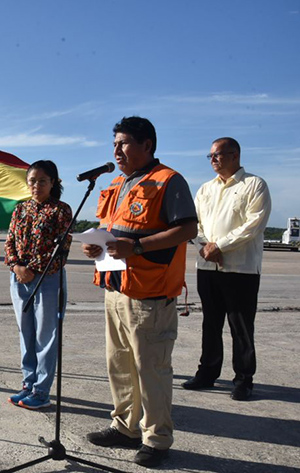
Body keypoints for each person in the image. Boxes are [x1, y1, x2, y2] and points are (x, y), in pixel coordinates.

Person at [81, 117, 197, 468]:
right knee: (119, 365)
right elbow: (113, 229)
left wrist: (138, 247)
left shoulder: (168, 181)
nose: (116, 150)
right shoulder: (118, 183)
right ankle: (125, 427)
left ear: (147, 145)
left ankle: (157, 439)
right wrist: (95, 246)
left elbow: (187, 229)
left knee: (152, 370)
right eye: (114, 144)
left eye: (124, 143)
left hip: (150, 295)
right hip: (116, 289)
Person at [182, 137, 271, 402]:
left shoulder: (254, 185)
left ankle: (244, 380)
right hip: (207, 266)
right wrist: (205, 246)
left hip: (240, 269)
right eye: (210, 156)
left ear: (235, 155)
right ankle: (207, 373)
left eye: (218, 155)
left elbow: (254, 224)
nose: (213, 160)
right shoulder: (205, 189)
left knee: (240, 326)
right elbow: (194, 224)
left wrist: (219, 245)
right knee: (210, 323)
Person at [4, 160, 72, 410]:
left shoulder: (60, 210)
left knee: (46, 336)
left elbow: (60, 248)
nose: (36, 185)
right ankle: (28, 383)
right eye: (32, 181)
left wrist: (32, 269)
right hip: (19, 278)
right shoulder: (20, 209)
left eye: (42, 181)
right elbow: (10, 241)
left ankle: (42, 391)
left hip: (47, 278)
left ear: (53, 183)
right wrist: (16, 267)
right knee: (26, 333)